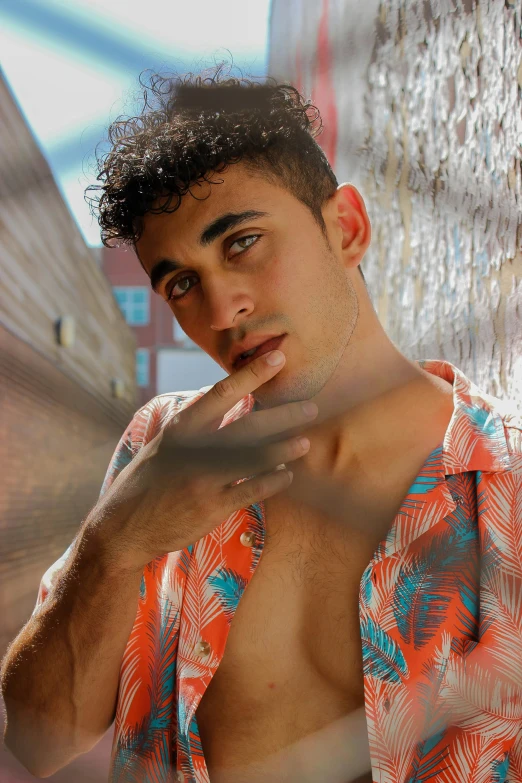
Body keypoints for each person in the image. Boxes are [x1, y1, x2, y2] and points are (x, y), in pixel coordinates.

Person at [1, 72, 522, 783]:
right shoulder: (165, 449)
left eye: (242, 242)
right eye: (180, 282)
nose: (221, 309)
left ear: (346, 228)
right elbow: (35, 739)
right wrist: (115, 543)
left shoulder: (507, 493)